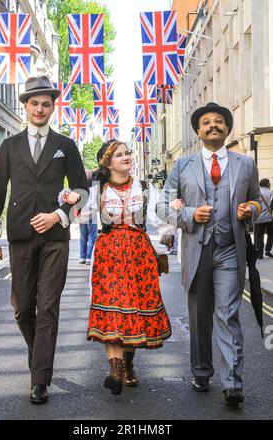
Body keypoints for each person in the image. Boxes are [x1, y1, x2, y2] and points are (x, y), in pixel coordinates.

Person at [0, 76, 88, 404]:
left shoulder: (65, 145)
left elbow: (83, 191)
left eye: (46, 103)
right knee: (22, 307)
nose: (40, 108)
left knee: (48, 307)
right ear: (26, 106)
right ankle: (38, 352)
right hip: (20, 236)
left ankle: (40, 377)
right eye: (34, 103)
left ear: (52, 107)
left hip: (56, 237)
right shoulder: (9, 146)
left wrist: (59, 215)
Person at [156, 102, 261, 406]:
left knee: (228, 315)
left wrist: (249, 209)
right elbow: (163, 206)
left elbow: (258, 202)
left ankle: (232, 383)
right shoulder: (182, 166)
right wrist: (189, 214)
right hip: (196, 250)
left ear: (227, 129)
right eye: (206, 122)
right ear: (198, 131)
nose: (213, 125)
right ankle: (201, 371)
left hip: (230, 249)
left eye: (219, 121)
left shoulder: (245, 164)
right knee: (200, 317)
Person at [63, 140, 178, 396]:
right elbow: (81, 217)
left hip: (139, 255)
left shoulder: (145, 188)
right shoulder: (97, 189)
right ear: (108, 161)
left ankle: (128, 365)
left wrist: (173, 217)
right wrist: (71, 200)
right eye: (119, 154)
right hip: (109, 256)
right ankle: (115, 370)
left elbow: (161, 221)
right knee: (112, 308)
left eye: (127, 153)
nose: (126, 157)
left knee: (133, 311)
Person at [79, 169, 98, 264]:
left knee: (83, 236)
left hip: (82, 211)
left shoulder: (80, 186)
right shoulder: (95, 185)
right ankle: (89, 257)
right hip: (92, 211)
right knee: (92, 235)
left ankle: (82, 257)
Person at [254, 178, 273, 258]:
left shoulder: (256, 192)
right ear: (268, 184)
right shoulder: (271, 193)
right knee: (271, 234)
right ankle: (268, 250)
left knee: (259, 236)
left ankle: (259, 253)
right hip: (268, 218)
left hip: (258, 218)